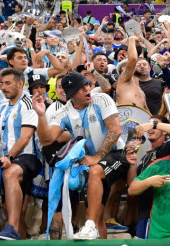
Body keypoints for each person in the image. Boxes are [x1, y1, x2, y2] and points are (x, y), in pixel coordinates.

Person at [35, 71, 123, 240]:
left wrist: (97, 157)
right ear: (71, 95)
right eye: (81, 88)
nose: (88, 88)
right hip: (92, 163)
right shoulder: (63, 113)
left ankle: (88, 224)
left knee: (95, 171)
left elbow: (116, 130)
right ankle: (92, 226)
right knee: (97, 215)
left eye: (87, 85)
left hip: (117, 154)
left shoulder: (102, 99)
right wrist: (40, 116)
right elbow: (47, 140)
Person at [0, 69, 40, 240]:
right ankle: (15, 233)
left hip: (27, 157)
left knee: (10, 174)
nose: (3, 87)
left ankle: (11, 228)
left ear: (19, 84)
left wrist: (9, 157)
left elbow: (26, 136)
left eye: (7, 83)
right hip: (7, 160)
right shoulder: (2, 107)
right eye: (1, 83)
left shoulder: (28, 103)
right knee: (14, 210)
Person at [114, 37, 148, 109]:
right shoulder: (123, 79)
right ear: (123, 68)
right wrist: (132, 39)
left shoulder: (141, 92)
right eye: (136, 64)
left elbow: (147, 114)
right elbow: (133, 58)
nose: (139, 65)